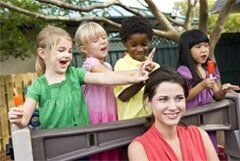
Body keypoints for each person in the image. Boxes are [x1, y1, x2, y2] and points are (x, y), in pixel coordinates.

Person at [8, 25, 150, 130]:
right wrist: (17, 118)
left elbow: (104, 78)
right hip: (54, 144)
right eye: (61, 50)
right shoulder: (38, 85)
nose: (67, 55)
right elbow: (24, 119)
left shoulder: (76, 74)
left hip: (83, 140)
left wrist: (135, 77)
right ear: (43, 53)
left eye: (69, 51)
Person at [128, 67, 220, 161]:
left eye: (179, 98)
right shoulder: (139, 148)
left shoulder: (199, 135)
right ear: (148, 102)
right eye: (163, 99)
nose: (173, 107)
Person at [177, 29, 240, 151]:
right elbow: (182, 97)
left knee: (211, 150)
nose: (204, 50)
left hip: (208, 120)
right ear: (187, 50)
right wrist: (202, 85)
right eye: (198, 46)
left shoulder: (208, 68)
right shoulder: (184, 72)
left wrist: (224, 91)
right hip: (191, 122)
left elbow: (216, 96)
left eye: (206, 45)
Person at [75, 21, 122, 161]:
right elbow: (112, 77)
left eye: (103, 37)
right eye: (95, 40)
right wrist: (136, 73)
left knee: (113, 151)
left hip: (110, 113)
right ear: (84, 49)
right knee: (100, 153)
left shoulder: (107, 64)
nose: (103, 41)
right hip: (96, 116)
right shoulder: (90, 63)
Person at [114, 16, 160, 120]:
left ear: (149, 42)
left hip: (153, 120)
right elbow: (123, 96)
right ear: (124, 43)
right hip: (130, 122)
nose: (139, 49)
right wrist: (144, 78)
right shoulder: (121, 65)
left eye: (144, 44)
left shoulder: (156, 67)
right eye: (133, 45)